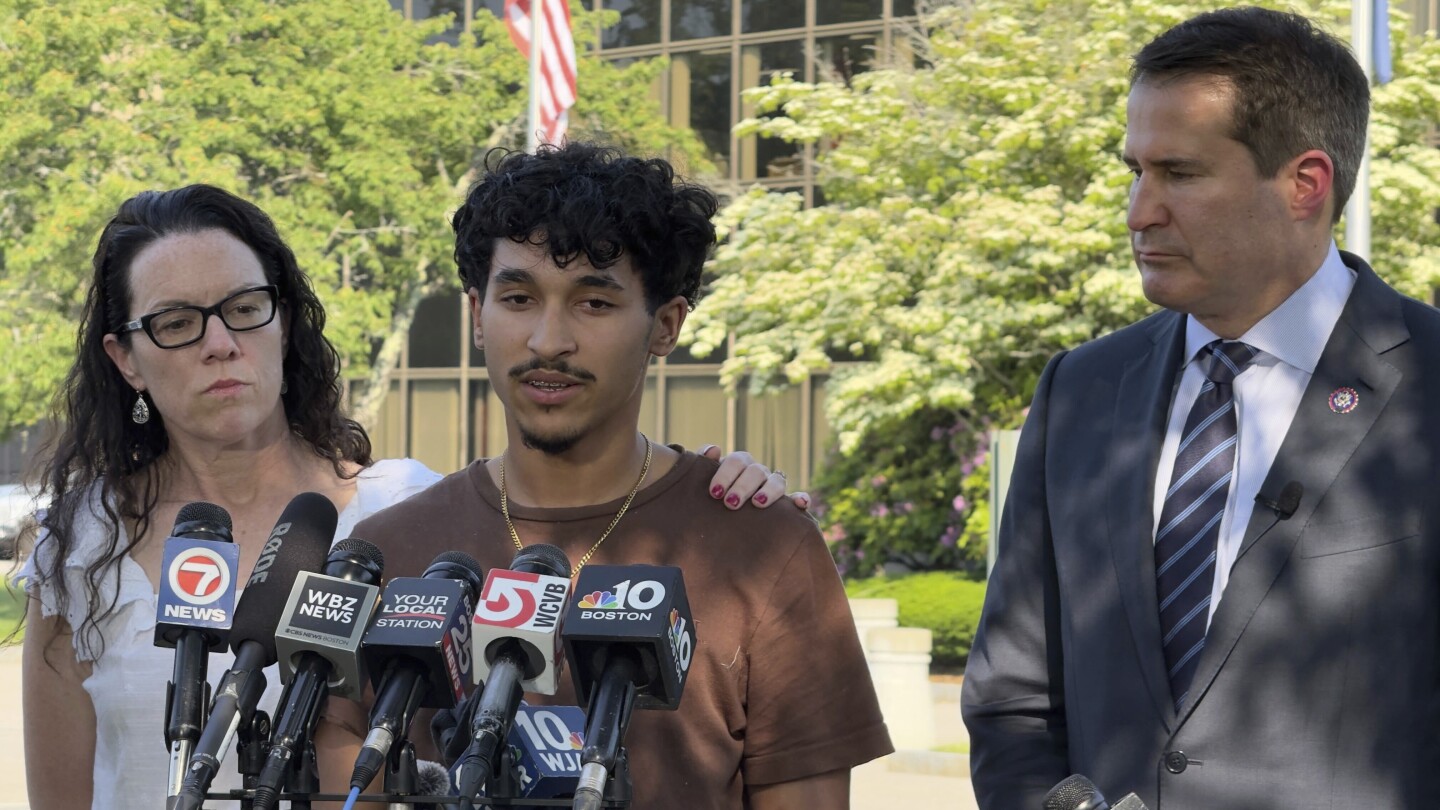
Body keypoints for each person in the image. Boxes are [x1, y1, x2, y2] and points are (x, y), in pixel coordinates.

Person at [13, 184, 787, 810]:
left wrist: (709, 489)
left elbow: (578, 517)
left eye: (245, 308)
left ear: (283, 317)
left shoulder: (406, 509)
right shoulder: (79, 552)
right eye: (177, 323)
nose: (221, 343)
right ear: (128, 359)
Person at [961, 7, 1440, 808]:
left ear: (1305, 184)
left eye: (1179, 174)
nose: (1138, 212)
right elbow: (1014, 696)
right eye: (1134, 171)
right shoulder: (1081, 391)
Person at [341, 142, 893, 808]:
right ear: (476, 316)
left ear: (665, 325)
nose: (548, 340)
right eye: (517, 297)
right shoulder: (387, 552)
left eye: (594, 304)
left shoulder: (764, 549)